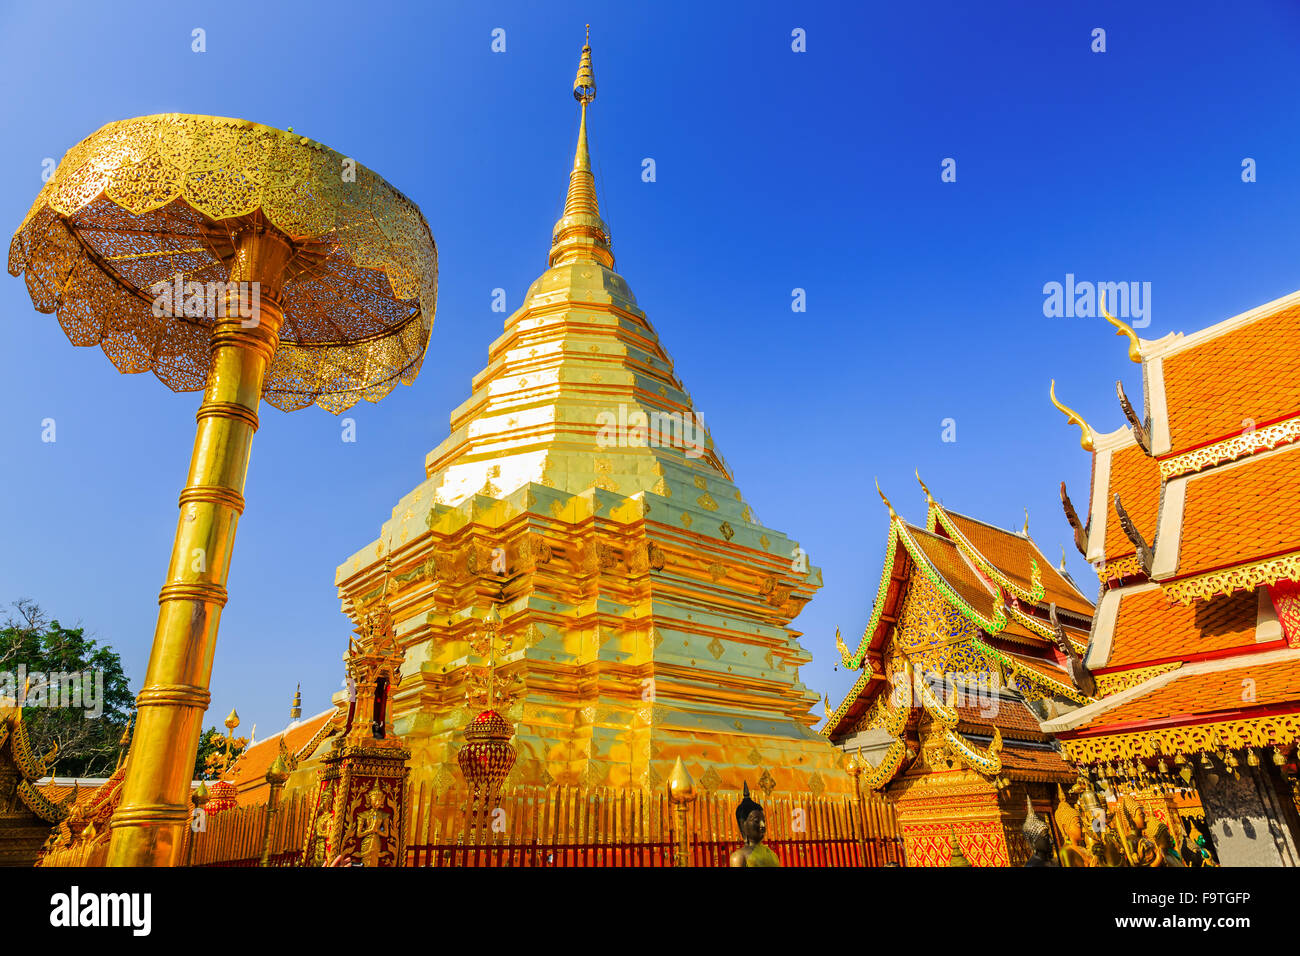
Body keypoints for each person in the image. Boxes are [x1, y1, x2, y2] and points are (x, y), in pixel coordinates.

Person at [729, 782, 780, 867]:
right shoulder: (739, 857)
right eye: (756, 821)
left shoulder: (772, 854)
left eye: (763, 821)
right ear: (743, 824)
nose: (762, 825)